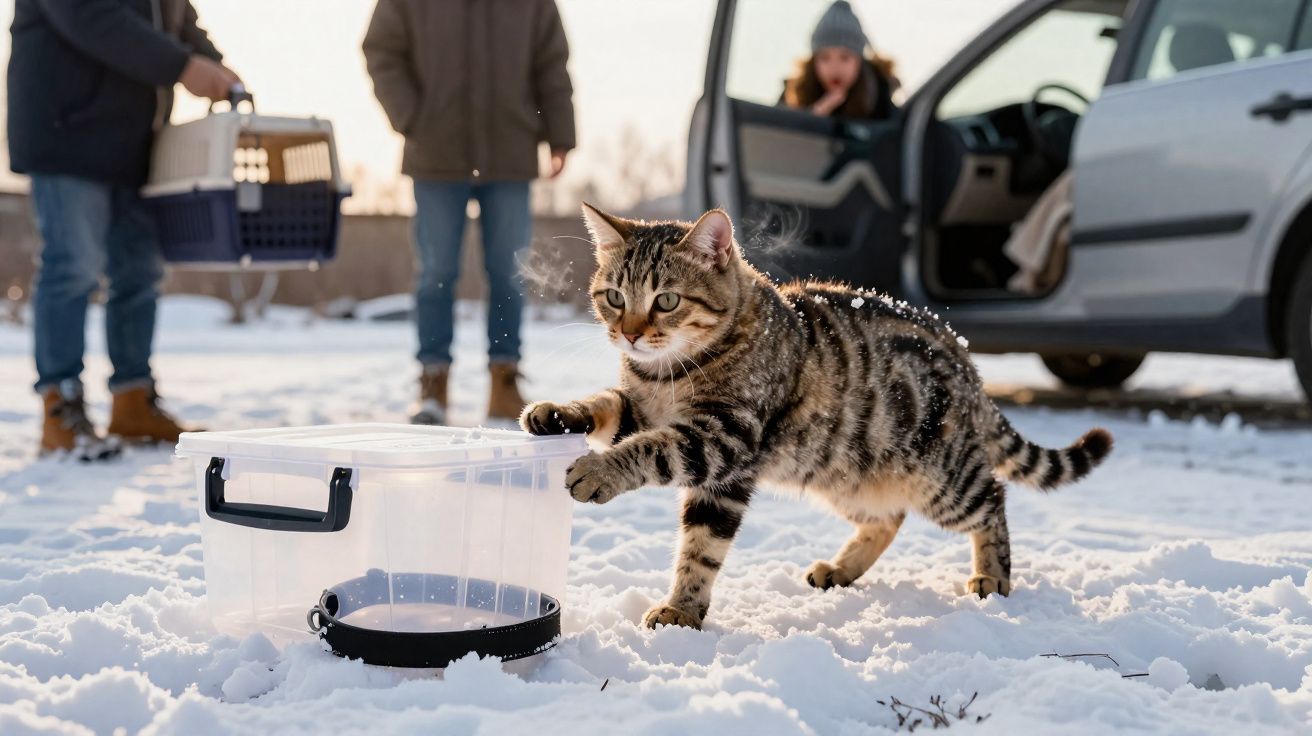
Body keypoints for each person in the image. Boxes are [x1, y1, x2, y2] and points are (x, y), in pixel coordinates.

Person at [8, 0, 240, 459]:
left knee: (140, 272)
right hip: (66, 130)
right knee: (74, 265)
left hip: (136, 141)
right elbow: (91, 16)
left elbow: (179, 21)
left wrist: (212, 63)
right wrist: (181, 66)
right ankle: (61, 405)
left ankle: (133, 400)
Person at [363, 0, 576, 425]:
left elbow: (551, 62)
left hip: (510, 151)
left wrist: (560, 132)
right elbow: (381, 50)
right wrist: (411, 116)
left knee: (508, 271)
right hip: (435, 153)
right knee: (436, 271)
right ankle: (433, 382)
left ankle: (504, 382)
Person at [783, 1, 899, 120]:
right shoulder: (790, 98)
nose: (835, 67)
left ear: (859, 61)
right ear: (814, 62)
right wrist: (814, 117)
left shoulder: (883, 107)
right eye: (825, 58)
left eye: (845, 58)